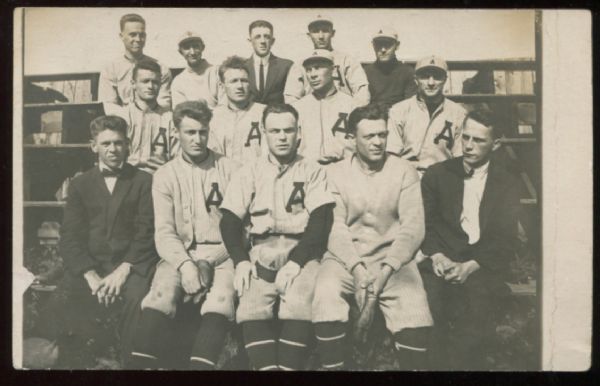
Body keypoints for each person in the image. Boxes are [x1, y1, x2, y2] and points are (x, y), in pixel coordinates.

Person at [312, 104, 433, 370]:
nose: (378, 142)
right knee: (326, 293)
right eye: (369, 136)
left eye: (382, 135)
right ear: (352, 138)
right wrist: (356, 269)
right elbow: (335, 228)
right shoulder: (334, 173)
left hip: (392, 259)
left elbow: (412, 228)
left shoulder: (403, 170)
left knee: (415, 305)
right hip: (344, 259)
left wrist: (387, 270)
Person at [36, 115, 158, 367]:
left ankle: (128, 362)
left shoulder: (144, 181)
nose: (113, 149)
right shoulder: (80, 184)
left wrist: (124, 270)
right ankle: (79, 361)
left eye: (118, 143)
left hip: (131, 264)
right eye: (106, 144)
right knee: (67, 297)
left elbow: (146, 232)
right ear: (94, 147)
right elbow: (70, 237)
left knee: (136, 297)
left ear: (128, 144)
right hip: (92, 264)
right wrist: (90, 274)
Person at [220, 104, 335, 371]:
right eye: (275, 131)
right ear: (263, 133)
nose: (282, 137)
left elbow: (320, 221)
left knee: (299, 300)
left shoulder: (312, 169)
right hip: (261, 247)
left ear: (299, 133)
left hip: (302, 248)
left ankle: (288, 367)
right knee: (251, 302)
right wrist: (240, 261)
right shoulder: (249, 170)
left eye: (288, 130)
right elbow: (229, 220)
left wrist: (296, 262)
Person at [129, 101, 239, 370]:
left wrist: (210, 261)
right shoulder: (165, 174)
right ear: (176, 133)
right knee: (160, 295)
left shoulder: (231, 169)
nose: (197, 139)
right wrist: (187, 266)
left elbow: (240, 229)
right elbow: (164, 232)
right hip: (179, 254)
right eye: (190, 132)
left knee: (221, 300)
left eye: (202, 132)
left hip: (222, 254)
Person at [418, 107, 520, 370]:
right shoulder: (437, 175)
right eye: (465, 138)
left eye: (479, 140)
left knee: (476, 313)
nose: (469, 146)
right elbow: (425, 225)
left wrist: (471, 266)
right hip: (440, 258)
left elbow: (505, 238)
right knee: (430, 307)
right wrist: (438, 256)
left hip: (480, 262)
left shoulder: (507, 182)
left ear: (496, 144)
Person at [387, 55, 467, 175]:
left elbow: (460, 157)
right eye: (424, 77)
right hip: (407, 176)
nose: (431, 83)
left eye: (437, 77)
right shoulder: (399, 110)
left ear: (445, 79)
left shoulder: (459, 113)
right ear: (416, 80)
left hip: (443, 177)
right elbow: (392, 155)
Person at [284, 15, 370, 108]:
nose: (321, 36)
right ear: (309, 35)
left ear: (332, 33)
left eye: (325, 31)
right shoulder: (300, 63)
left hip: (343, 111)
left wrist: (353, 112)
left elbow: (362, 91)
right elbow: (291, 98)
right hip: (311, 112)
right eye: (316, 31)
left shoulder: (347, 60)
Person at [109, 59, 177, 174]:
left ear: (160, 85)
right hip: (127, 177)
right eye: (145, 81)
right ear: (133, 84)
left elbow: (178, 158)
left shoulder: (169, 119)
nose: (150, 86)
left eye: (155, 82)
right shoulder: (121, 117)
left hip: (159, 177)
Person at [99, 13, 172, 109]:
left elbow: (164, 103)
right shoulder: (111, 68)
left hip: (153, 118)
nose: (138, 39)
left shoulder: (161, 68)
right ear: (121, 36)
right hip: (122, 120)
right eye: (132, 35)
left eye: (141, 35)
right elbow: (109, 105)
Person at [292, 50, 353, 165]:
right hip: (309, 172)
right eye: (308, 70)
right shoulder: (297, 108)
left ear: (333, 70)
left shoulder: (351, 104)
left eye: (318, 67)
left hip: (344, 171)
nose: (313, 75)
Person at [208, 56, 266, 163]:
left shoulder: (264, 113)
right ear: (222, 85)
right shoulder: (213, 118)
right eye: (233, 81)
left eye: (244, 81)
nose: (240, 86)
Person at [362, 26, 417, 109]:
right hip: (372, 118)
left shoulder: (408, 73)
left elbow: (410, 106)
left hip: (398, 119)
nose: (383, 50)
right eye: (379, 44)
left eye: (388, 44)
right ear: (373, 45)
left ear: (397, 46)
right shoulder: (365, 73)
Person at [243, 20, 293, 105]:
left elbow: (292, 100)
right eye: (257, 37)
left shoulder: (286, 66)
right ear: (250, 40)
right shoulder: (242, 67)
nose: (262, 41)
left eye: (266, 37)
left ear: (272, 41)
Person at [171, 31, 224, 109]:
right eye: (186, 48)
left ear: (202, 48)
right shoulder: (178, 81)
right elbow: (180, 113)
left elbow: (225, 105)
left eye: (196, 46)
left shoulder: (218, 72)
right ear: (180, 52)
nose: (192, 52)